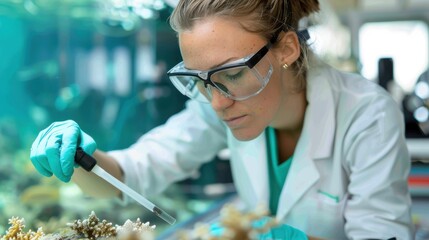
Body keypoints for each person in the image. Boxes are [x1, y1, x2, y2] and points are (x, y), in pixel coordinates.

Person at [29, 0, 414, 239]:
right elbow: (135, 172)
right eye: (199, 80)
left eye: (232, 74)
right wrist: (80, 159)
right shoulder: (218, 102)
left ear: (287, 49)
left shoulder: (367, 115)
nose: (216, 103)